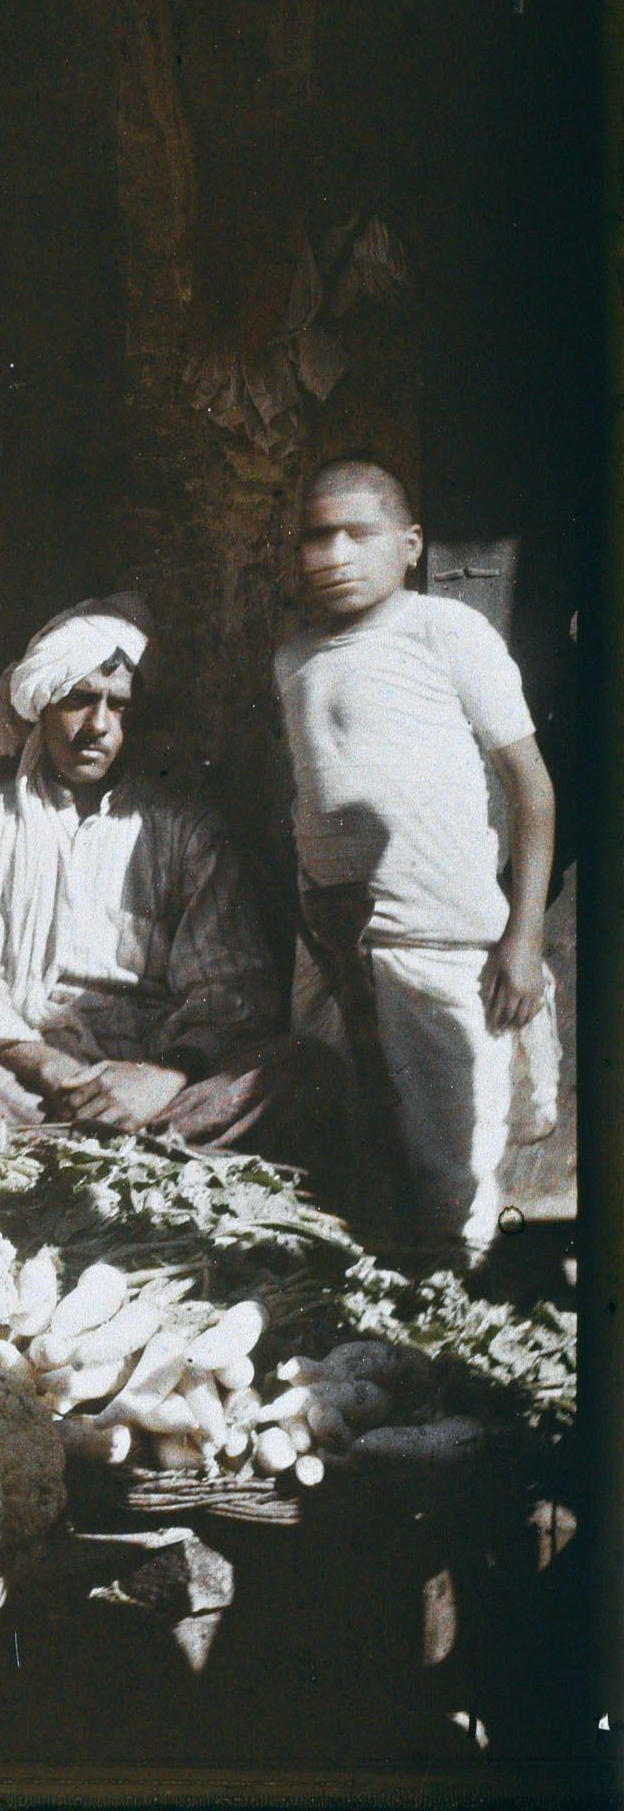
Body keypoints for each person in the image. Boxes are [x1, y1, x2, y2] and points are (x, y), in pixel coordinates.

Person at [0, 594, 319, 1155]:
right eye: (79, 700)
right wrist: (49, 1068)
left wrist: (162, 1078)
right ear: (41, 703)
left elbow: (230, 997)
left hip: (154, 1095)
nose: (99, 727)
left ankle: (98, 1145)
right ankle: (109, 1150)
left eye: (120, 706)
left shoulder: (186, 831)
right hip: (21, 1085)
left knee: (300, 1068)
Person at [275, 457, 560, 1265]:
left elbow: (530, 791)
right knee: (346, 1156)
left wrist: (523, 939)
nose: (331, 554)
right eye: (314, 536)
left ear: (408, 545)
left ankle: (455, 1309)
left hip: (443, 946)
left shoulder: (445, 631)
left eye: (355, 534)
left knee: (452, 1171)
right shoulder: (292, 661)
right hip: (334, 949)